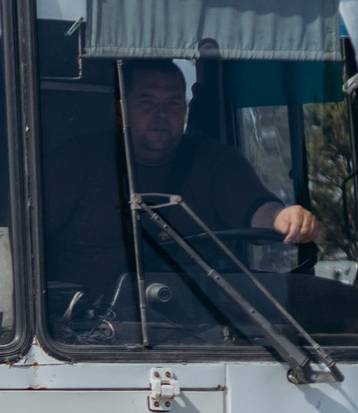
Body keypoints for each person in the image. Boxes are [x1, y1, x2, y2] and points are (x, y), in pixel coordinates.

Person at [47, 58, 320, 296]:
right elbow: (32, 239)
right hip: (86, 340)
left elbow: (256, 209)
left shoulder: (215, 162)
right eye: (147, 102)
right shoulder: (75, 162)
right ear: (120, 111)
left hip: (202, 330)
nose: (162, 114)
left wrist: (282, 218)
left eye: (173, 102)